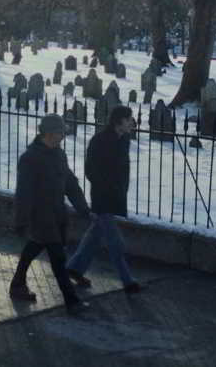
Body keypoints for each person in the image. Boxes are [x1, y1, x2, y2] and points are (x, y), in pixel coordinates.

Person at [10, 114, 92, 314]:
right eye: (60, 132)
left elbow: (70, 183)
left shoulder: (59, 154)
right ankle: (71, 301)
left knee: (34, 247)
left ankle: (17, 285)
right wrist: (21, 220)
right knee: (58, 257)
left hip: (57, 214)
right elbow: (24, 192)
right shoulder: (30, 159)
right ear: (48, 133)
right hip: (40, 216)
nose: (63, 136)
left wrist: (82, 207)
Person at [66, 106, 141, 294]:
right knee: (116, 242)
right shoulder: (99, 140)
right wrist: (107, 186)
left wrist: (121, 189)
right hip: (103, 196)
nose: (132, 122)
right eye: (128, 119)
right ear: (119, 121)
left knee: (95, 236)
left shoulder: (124, 140)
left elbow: (123, 169)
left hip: (116, 195)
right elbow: (90, 169)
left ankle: (74, 268)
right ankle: (127, 280)